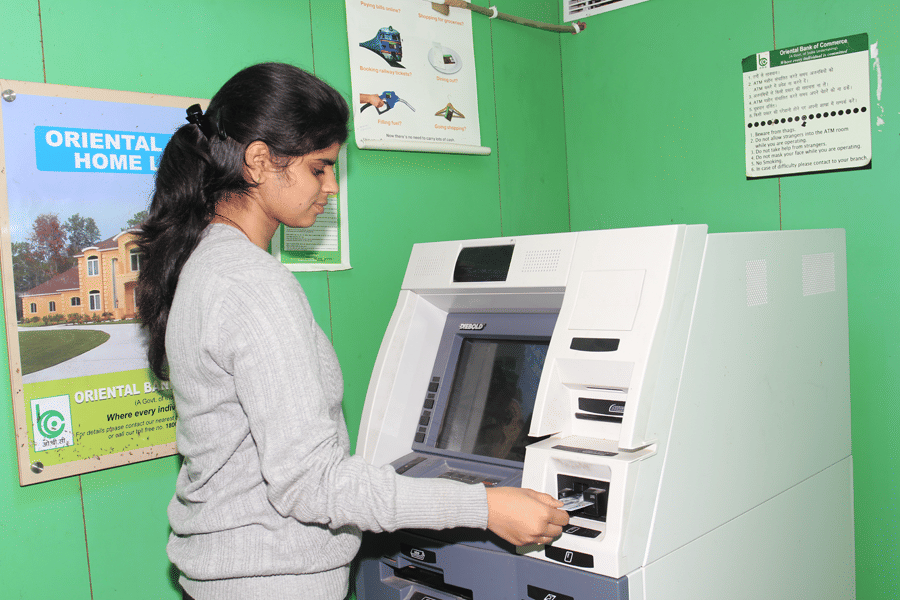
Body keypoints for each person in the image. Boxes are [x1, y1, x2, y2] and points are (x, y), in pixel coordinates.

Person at [135, 62, 568, 600]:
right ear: (260, 162)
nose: (331, 188)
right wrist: (485, 506)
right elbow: (312, 484)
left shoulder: (203, 262)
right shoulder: (252, 284)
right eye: (320, 168)